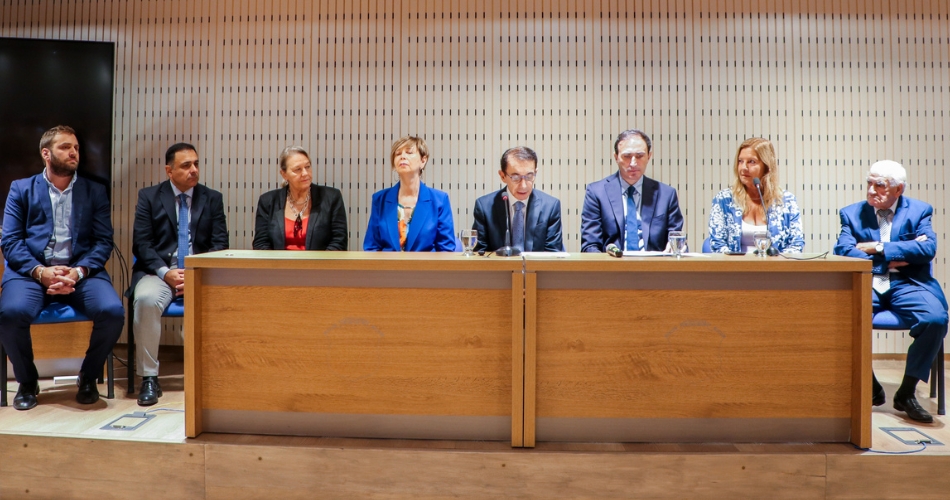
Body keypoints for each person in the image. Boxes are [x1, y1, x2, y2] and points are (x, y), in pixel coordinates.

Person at [0, 125, 124, 410]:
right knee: (11, 314)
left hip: (80, 273)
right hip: (31, 274)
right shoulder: (21, 189)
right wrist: (40, 272)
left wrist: (77, 272)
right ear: (46, 153)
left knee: (112, 312)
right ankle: (27, 382)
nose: (73, 152)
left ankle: (88, 377)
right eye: (66, 147)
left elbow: (103, 241)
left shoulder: (94, 191)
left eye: (76, 148)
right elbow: (11, 241)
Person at [834, 160, 948, 423]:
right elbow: (844, 250)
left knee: (936, 319)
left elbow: (926, 249)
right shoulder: (851, 213)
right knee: (839, 318)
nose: (871, 190)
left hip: (908, 283)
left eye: (879, 185)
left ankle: (906, 393)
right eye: (869, 183)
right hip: (868, 281)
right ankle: (871, 387)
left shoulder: (919, 211)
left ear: (899, 189)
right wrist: (893, 257)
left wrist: (877, 248)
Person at [130, 142, 229, 406]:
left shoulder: (212, 198)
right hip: (159, 273)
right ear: (169, 170)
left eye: (196, 164)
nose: (194, 170)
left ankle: (219, 375)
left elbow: (220, 244)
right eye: (186, 165)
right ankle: (149, 378)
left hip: (199, 274)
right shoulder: (149, 197)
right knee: (146, 300)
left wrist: (195, 273)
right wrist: (166, 273)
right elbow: (142, 244)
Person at [581, 129, 684, 252]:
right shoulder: (596, 193)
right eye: (627, 156)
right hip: (612, 262)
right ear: (616, 157)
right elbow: (590, 245)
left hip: (654, 263)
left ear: (649, 156)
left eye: (639, 156)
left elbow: (677, 240)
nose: (633, 163)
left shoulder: (666, 195)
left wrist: (677, 248)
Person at [707, 138, 805, 253]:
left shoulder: (786, 201)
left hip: (776, 264)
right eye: (740, 161)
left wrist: (776, 262)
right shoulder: (724, 200)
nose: (743, 167)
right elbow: (717, 244)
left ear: (767, 167)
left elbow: (796, 244)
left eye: (751, 162)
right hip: (735, 264)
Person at [364, 136, 457, 252]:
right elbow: (371, 247)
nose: (402, 156)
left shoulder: (440, 200)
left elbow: (446, 249)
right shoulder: (380, 199)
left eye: (409, 152)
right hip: (388, 264)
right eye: (398, 154)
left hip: (426, 263)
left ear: (423, 161)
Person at [253, 146, 348, 251]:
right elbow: (261, 243)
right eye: (298, 169)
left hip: (320, 261)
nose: (305, 173)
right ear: (284, 174)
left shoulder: (331, 198)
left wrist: (317, 261)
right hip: (278, 261)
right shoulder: (268, 201)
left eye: (307, 167)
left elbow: (339, 242)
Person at [472, 147, 563, 253]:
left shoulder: (550, 206)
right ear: (503, 176)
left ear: (535, 173)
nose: (523, 185)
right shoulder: (484, 207)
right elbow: (480, 253)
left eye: (529, 176)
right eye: (515, 177)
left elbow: (553, 254)